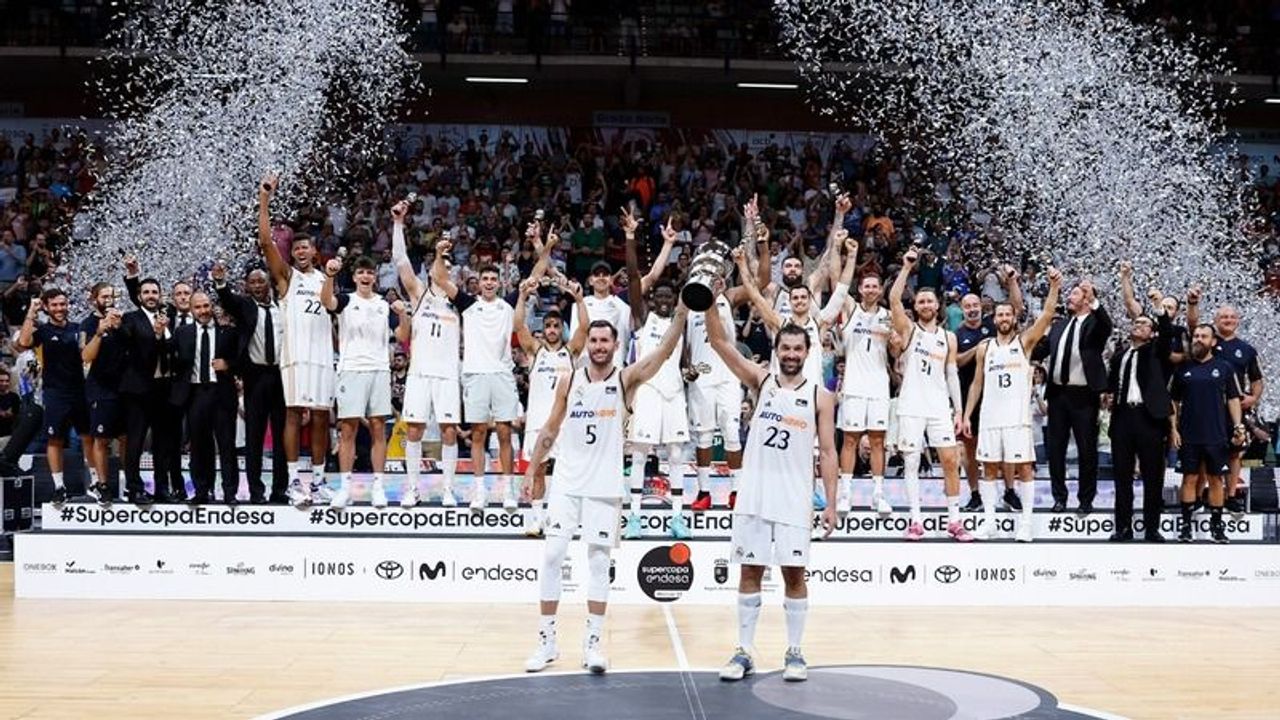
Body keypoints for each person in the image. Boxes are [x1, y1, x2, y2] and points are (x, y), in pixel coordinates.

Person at [522, 308, 689, 675]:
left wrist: (682, 313)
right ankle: (547, 642)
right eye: (594, 340)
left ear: (616, 345)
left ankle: (593, 644)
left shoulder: (626, 380)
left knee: (599, 564)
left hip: (605, 486)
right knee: (552, 556)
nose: (598, 346)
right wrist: (532, 468)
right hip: (567, 482)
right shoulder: (569, 380)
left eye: (605, 341)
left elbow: (663, 352)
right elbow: (550, 428)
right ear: (588, 345)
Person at [702, 289, 838, 684]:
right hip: (755, 495)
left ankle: (794, 651)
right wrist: (709, 301)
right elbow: (719, 343)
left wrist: (831, 503)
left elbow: (829, 452)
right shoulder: (760, 381)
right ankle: (743, 651)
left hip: (795, 498)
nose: (791, 354)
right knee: (750, 571)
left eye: (798, 349)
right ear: (776, 351)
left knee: (794, 575)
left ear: (808, 352)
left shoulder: (821, 396)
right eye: (786, 348)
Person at [736, 228, 852, 509]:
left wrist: (851, 256)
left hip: (812, 394)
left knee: (814, 449)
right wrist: (740, 265)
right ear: (789, 302)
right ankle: (776, 493)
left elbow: (842, 290)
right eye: (796, 298)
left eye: (803, 298)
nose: (800, 301)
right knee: (780, 447)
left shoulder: (820, 322)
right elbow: (755, 295)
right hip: (782, 394)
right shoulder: (779, 323)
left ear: (810, 301)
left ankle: (812, 492)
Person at [962, 267, 1060, 542]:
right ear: (994, 319)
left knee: (1024, 468)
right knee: (989, 469)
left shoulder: (1024, 342)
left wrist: (1054, 287)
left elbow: (1047, 315)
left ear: (1014, 318)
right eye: (1000, 315)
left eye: (1008, 314)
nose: (1004, 318)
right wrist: (967, 415)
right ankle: (990, 523)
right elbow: (976, 384)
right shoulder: (985, 347)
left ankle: (1026, 524)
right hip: (990, 418)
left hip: (1017, 418)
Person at [258, 172, 335, 508]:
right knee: (293, 414)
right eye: (297, 247)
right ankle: (293, 482)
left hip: (322, 357)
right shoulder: (286, 277)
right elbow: (265, 242)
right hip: (295, 356)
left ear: (315, 252)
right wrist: (265, 199)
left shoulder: (326, 279)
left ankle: (317, 481)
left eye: (306, 247)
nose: (301, 251)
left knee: (320, 417)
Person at [889, 248, 970, 541]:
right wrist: (906, 268)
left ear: (937, 305)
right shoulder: (909, 330)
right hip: (911, 405)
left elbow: (952, 375)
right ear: (916, 305)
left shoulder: (949, 337)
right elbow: (893, 300)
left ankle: (954, 521)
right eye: (921, 301)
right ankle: (915, 520)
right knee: (911, 462)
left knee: (949, 460)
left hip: (938, 406)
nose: (925, 304)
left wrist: (959, 410)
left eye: (929, 301)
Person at [434, 239, 520, 511]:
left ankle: (508, 491)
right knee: (478, 434)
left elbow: (537, 273)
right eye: (485, 279)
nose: (490, 283)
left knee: (505, 433)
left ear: (500, 283)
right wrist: (439, 253)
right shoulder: (468, 305)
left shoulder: (508, 304)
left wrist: (544, 247)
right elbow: (439, 278)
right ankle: (480, 492)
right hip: (475, 375)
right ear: (478, 282)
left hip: (503, 375)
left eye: (494, 279)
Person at [622, 211, 693, 539]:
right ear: (652, 299)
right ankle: (634, 517)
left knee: (676, 455)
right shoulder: (642, 318)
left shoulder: (681, 323)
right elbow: (633, 277)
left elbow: (684, 362)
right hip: (648, 391)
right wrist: (631, 238)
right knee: (639, 454)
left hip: (674, 392)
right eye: (659, 296)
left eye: (669, 296)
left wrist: (690, 372)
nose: (664, 300)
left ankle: (677, 517)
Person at [390, 202, 464, 506]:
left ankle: (447, 489)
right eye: (440, 263)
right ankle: (412, 488)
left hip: (447, 375)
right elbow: (400, 260)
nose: (443, 268)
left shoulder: (459, 301)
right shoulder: (419, 294)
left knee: (449, 432)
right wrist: (398, 224)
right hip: (420, 373)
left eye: (447, 264)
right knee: (414, 430)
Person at [320, 255, 400, 508]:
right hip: (351, 370)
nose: (366, 276)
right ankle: (345, 489)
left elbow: (402, 334)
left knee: (378, 428)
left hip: (379, 370)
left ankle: (378, 487)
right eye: (361, 272)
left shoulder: (384, 305)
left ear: (375, 277)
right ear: (354, 277)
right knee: (348, 430)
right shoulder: (346, 300)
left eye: (370, 272)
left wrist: (405, 315)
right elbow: (326, 301)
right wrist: (330, 276)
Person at [514, 275, 588, 536]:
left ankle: (567, 518)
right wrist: (522, 296)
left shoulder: (571, 352)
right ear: (543, 329)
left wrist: (579, 299)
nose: (553, 329)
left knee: (569, 471)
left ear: (561, 328)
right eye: (549, 326)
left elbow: (584, 328)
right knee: (538, 471)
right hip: (537, 422)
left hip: (565, 423)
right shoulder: (535, 352)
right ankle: (537, 520)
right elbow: (518, 325)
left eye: (557, 325)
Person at [1103, 281, 1176, 543]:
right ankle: (1123, 527)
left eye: (1144, 324)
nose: (1138, 325)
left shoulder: (1157, 350)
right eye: (1136, 322)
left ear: (1152, 333)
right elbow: (1112, 383)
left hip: (1149, 418)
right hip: (1123, 417)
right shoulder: (1120, 355)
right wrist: (1107, 394)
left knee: (1152, 476)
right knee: (1122, 475)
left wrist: (1158, 308)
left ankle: (1151, 528)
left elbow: (1166, 333)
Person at [213, 262, 287, 504]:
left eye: (261, 281)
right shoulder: (245, 306)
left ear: (269, 283)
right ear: (246, 286)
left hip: (282, 376)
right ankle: (256, 491)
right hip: (255, 376)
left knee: (282, 436)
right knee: (254, 436)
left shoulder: (283, 307)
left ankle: (280, 490)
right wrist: (221, 282)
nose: (257, 286)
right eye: (252, 282)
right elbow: (228, 300)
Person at [1037, 276, 1111, 515]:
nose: (1069, 297)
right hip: (1058, 394)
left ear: (1087, 299)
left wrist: (1094, 300)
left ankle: (1086, 500)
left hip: (1084, 395)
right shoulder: (1059, 325)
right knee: (1055, 449)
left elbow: (1106, 325)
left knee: (1086, 449)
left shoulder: (1095, 323)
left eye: (1075, 294)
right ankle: (1059, 498)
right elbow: (1041, 349)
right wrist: (1023, 343)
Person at [954, 270, 1023, 513]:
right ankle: (975, 494)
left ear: (982, 307)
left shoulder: (993, 325)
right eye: (967, 306)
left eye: (975, 305)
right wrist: (977, 349)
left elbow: (1017, 308)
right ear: (962, 309)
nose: (972, 309)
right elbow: (956, 361)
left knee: (1004, 445)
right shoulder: (957, 333)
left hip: (997, 395)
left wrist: (1012, 281)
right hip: (968, 394)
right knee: (970, 448)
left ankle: (1009, 491)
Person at [16, 288, 93, 507]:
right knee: (55, 439)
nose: (60, 308)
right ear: (47, 307)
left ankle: (96, 483)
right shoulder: (42, 331)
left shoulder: (78, 328)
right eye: (55, 305)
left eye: (63, 304)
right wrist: (31, 311)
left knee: (88, 437)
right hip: (55, 392)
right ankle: (59, 487)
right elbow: (23, 342)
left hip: (81, 390)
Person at [1170, 324, 1246, 544]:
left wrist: (1238, 426)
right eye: (1196, 336)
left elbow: (1233, 399)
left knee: (1215, 479)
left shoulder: (1224, 367)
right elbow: (1173, 401)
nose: (1198, 339)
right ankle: (1186, 527)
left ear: (1213, 342)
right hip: (1189, 434)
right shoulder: (1182, 368)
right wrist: (1173, 428)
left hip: (1216, 433)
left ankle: (1216, 527)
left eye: (1203, 336)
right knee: (1189, 478)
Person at [169, 292, 240, 504]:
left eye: (206, 306)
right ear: (191, 310)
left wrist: (228, 365)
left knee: (227, 445)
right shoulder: (182, 333)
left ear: (212, 306)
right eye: (198, 307)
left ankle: (230, 493)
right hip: (195, 394)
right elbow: (170, 359)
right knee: (199, 446)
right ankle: (201, 491)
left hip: (222, 393)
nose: (203, 311)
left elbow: (242, 359)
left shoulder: (228, 331)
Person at [836, 272, 893, 516]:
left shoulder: (888, 316)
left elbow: (896, 349)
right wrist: (845, 254)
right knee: (850, 439)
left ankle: (878, 495)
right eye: (866, 286)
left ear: (880, 290)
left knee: (878, 441)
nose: (870, 290)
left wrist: (894, 341)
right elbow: (838, 282)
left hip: (879, 385)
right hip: (854, 385)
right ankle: (845, 494)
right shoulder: (851, 309)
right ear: (860, 289)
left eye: (874, 286)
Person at [115, 276, 175, 506]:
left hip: (164, 389)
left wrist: (162, 334)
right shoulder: (131, 319)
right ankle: (134, 488)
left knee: (163, 442)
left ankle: (162, 488)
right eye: (146, 292)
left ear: (160, 295)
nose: (151, 296)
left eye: (154, 292)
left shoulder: (168, 318)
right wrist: (156, 335)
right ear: (139, 297)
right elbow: (133, 348)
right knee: (136, 441)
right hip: (138, 390)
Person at [79, 283, 125, 505]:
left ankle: (128, 482)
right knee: (101, 439)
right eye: (104, 296)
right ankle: (102, 485)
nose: (108, 300)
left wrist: (119, 328)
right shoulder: (87, 324)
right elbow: (85, 357)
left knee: (126, 437)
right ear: (94, 299)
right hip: (100, 389)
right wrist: (100, 332)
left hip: (124, 389)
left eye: (111, 296)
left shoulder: (122, 320)